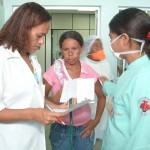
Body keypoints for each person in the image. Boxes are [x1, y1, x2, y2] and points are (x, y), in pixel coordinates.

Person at [0, 2, 66, 150]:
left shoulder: (33, 60)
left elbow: (33, 96)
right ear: (22, 30)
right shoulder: (2, 59)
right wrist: (33, 114)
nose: (42, 41)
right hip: (11, 142)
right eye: (39, 35)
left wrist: (56, 107)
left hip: (34, 140)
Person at [43, 30, 106, 150]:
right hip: (61, 128)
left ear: (81, 48)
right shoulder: (54, 71)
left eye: (74, 48)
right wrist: (55, 100)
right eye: (66, 49)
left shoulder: (88, 72)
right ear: (61, 49)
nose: (70, 53)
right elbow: (40, 97)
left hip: (84, 128)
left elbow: (102, 96)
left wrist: (96, 121)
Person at [100, 8, 150, 150]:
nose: (110, 43)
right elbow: (126, 95)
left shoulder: (144, 76)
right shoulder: (133, 69)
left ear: (124, 39)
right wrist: (107, 85)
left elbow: (143, 139)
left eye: (111, 38)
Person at [80, 35, 114, 142]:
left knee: (103, 125)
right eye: (96, 46)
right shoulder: (82, 63)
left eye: (101, 46)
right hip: (88, 103)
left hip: (104, 102)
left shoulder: (105, 62)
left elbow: (111, 80)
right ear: (87, 48)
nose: (100, 49)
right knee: (88, 129)